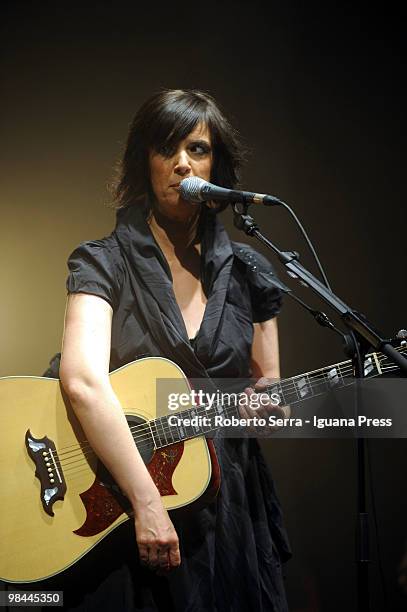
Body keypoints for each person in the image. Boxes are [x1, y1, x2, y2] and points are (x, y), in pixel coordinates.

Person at [55, 89, 291, 611]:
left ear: (218, 165)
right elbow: (82, 381)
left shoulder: (251, 270)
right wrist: (145, 502)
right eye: (167, 148)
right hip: (120, 500)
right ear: (146, 160)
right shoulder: (102, 263)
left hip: (227, 506)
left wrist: (266, 407)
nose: (182, 163)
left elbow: (270, 394)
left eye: (198, 149)